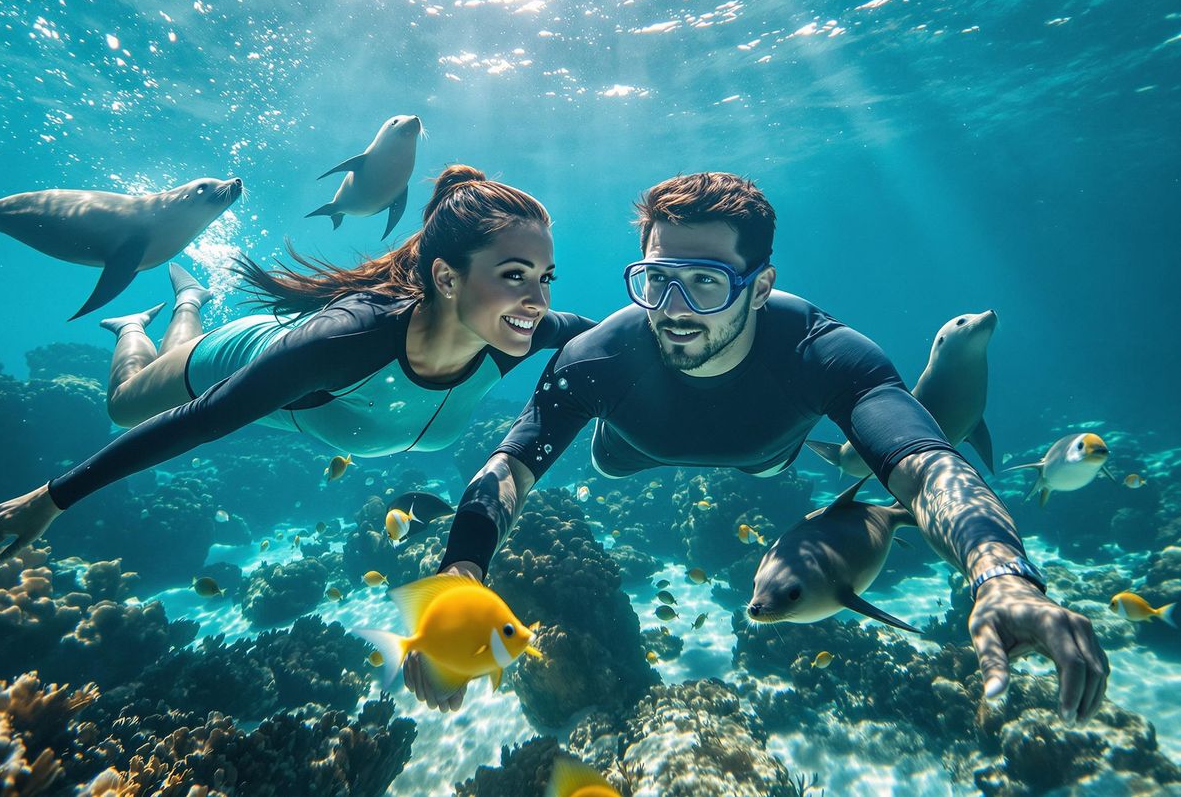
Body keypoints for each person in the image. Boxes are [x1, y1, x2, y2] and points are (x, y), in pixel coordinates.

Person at [410, 172, 1108, 723]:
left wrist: (1002, 577)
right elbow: (508, 469)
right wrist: (461, 570)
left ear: (761, 287)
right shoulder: (599, 357)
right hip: (628, 447)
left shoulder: (823, 353)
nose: (676, 309)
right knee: (611, 452)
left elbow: (929, 468)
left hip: (764, 451)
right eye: (657, 281)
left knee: (772, 455)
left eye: (707, 283)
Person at [0, 165, 595, 563]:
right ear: (448, 280)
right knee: (125, 403)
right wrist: (53, 498)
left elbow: (617, 341)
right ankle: (168, 313)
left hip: (295, 372)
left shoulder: (524, 333)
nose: (539, 301)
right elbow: (203, 421)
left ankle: (187, 303)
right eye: (515, 276)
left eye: (546, 277)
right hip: (246, 355)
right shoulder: (347, 342)